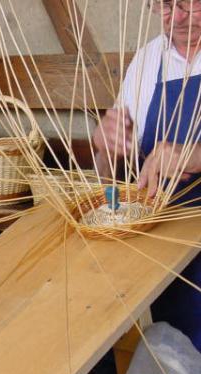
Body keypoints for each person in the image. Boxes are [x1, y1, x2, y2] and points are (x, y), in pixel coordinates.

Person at [93, 0, 201, 352]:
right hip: (164, 251)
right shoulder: (148, 59)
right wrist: (106, 147)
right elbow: (108, 175)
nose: (179, 17)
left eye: (191, 3)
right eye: (168, 6)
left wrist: (195, 155)